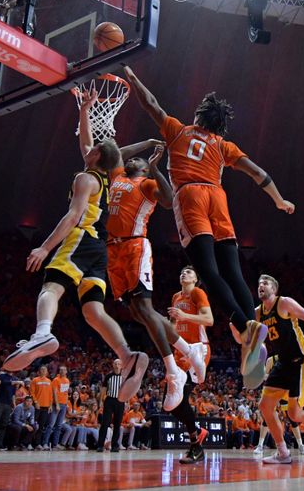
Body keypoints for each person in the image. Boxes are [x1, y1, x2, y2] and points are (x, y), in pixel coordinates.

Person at [123, 66, 295, 387]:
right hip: (218, 197)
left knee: (208, 271)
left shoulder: (177, 130)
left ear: (200, 115)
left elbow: (151, 103)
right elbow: (257, 172)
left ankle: (245, 327)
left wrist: (133, 78)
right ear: (221, 124)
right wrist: (279, 199)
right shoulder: (222, 146)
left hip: (191, 197)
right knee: (234, 272)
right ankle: (252, 329)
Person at [2, 89, 148, 403]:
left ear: (97, 157)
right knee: (94, 312)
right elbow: (86, 141)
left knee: (51, 288)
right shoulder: (107, 179)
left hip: (80, 240)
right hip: (100, 251)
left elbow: (72, 217)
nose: (88, 147)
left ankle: (42, 332)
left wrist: (44, 247)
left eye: (94, 148)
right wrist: (85, 110)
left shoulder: (86, 179)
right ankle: (127, 355)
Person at [103, 127, 206, 411]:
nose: (135, 162)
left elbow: (169, 196)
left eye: (143, 162)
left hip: (135, 247)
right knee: (137, 313)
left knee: (146, 311)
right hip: (113, 250)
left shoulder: (146, 185)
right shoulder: (119, 176)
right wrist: (147, 142)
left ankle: (174, 370)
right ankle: (188, 349)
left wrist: (156, 166)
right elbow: (114, 154)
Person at [234, 274, 304, 464]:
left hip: (298, 359)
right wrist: (235, 327)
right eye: (259, 283)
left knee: (290, 412)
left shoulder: (283, 303)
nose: (261, 285)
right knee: (274, 409)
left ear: (274, 289)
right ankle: (287, 450)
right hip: (282, 361)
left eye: (265, 283)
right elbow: (245, 339)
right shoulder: (258, 313)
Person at [167, 265, 212, 463]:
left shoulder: (197, 292)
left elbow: (209, 319)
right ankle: (198, 433)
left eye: (189, 272)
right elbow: (173, 327)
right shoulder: (176, 297)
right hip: (180, 351)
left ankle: (196, 445)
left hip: (197, 350)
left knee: (181, 397)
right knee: (169, 405)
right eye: (182, 271)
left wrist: (184, 316)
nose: (183, 273)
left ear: (195, 279)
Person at [98, 359, 124, 452]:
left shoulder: (124, 377)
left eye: (119, 363)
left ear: (121, 365)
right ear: (113, 365)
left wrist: (128, 402)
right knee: (105, 423)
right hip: (109, 400)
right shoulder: (108, 376)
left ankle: (115, 446)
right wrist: (101, 401)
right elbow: (104, 389)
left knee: (117, 424)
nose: (117, 365)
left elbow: (127, 390)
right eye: (115, 363)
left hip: (120, 401)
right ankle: (100, 445)